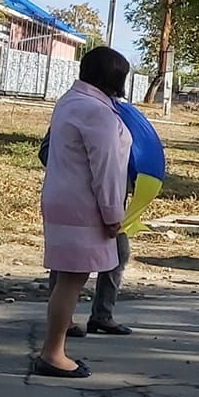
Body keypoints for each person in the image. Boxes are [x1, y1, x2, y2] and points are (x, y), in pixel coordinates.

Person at [35, 46, 135, 379]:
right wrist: (113, 214)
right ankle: (53, 353)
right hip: (85, 206)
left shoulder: (70, 102)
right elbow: (105, 168)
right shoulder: (98, 112)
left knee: (66, 278)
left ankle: (54, 349)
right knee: (71, 282)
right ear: (115, 80)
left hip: (61, 199)